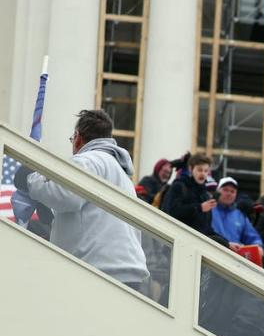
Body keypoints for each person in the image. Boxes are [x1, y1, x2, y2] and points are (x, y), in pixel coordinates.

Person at [14, 108, 150, 293]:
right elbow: (89, 210)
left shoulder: (87, 160)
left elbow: (65, 194)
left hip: (98, 271)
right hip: (126, 272)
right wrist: (52, 215)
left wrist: (30, 180)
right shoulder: (120, 174)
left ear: (78, 137)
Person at [162, 152, 216, 236]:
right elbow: (173, 212)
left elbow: (207, 229)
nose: (203, 174)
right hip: (177, 238)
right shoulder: (179, 186)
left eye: (206, 171)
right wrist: (199, 207)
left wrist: (227, 243)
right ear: (191, 169)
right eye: (199, 170)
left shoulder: (205, 195)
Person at [211, 177, 264, 258]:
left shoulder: (240, 215)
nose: (229, 193)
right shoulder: (208, 209)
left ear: (236, 195)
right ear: (217, 191)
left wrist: (258, 246)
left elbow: (253, 237)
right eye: (225, 190)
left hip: (233, 259)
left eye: (232, 191)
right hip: (210, 253)